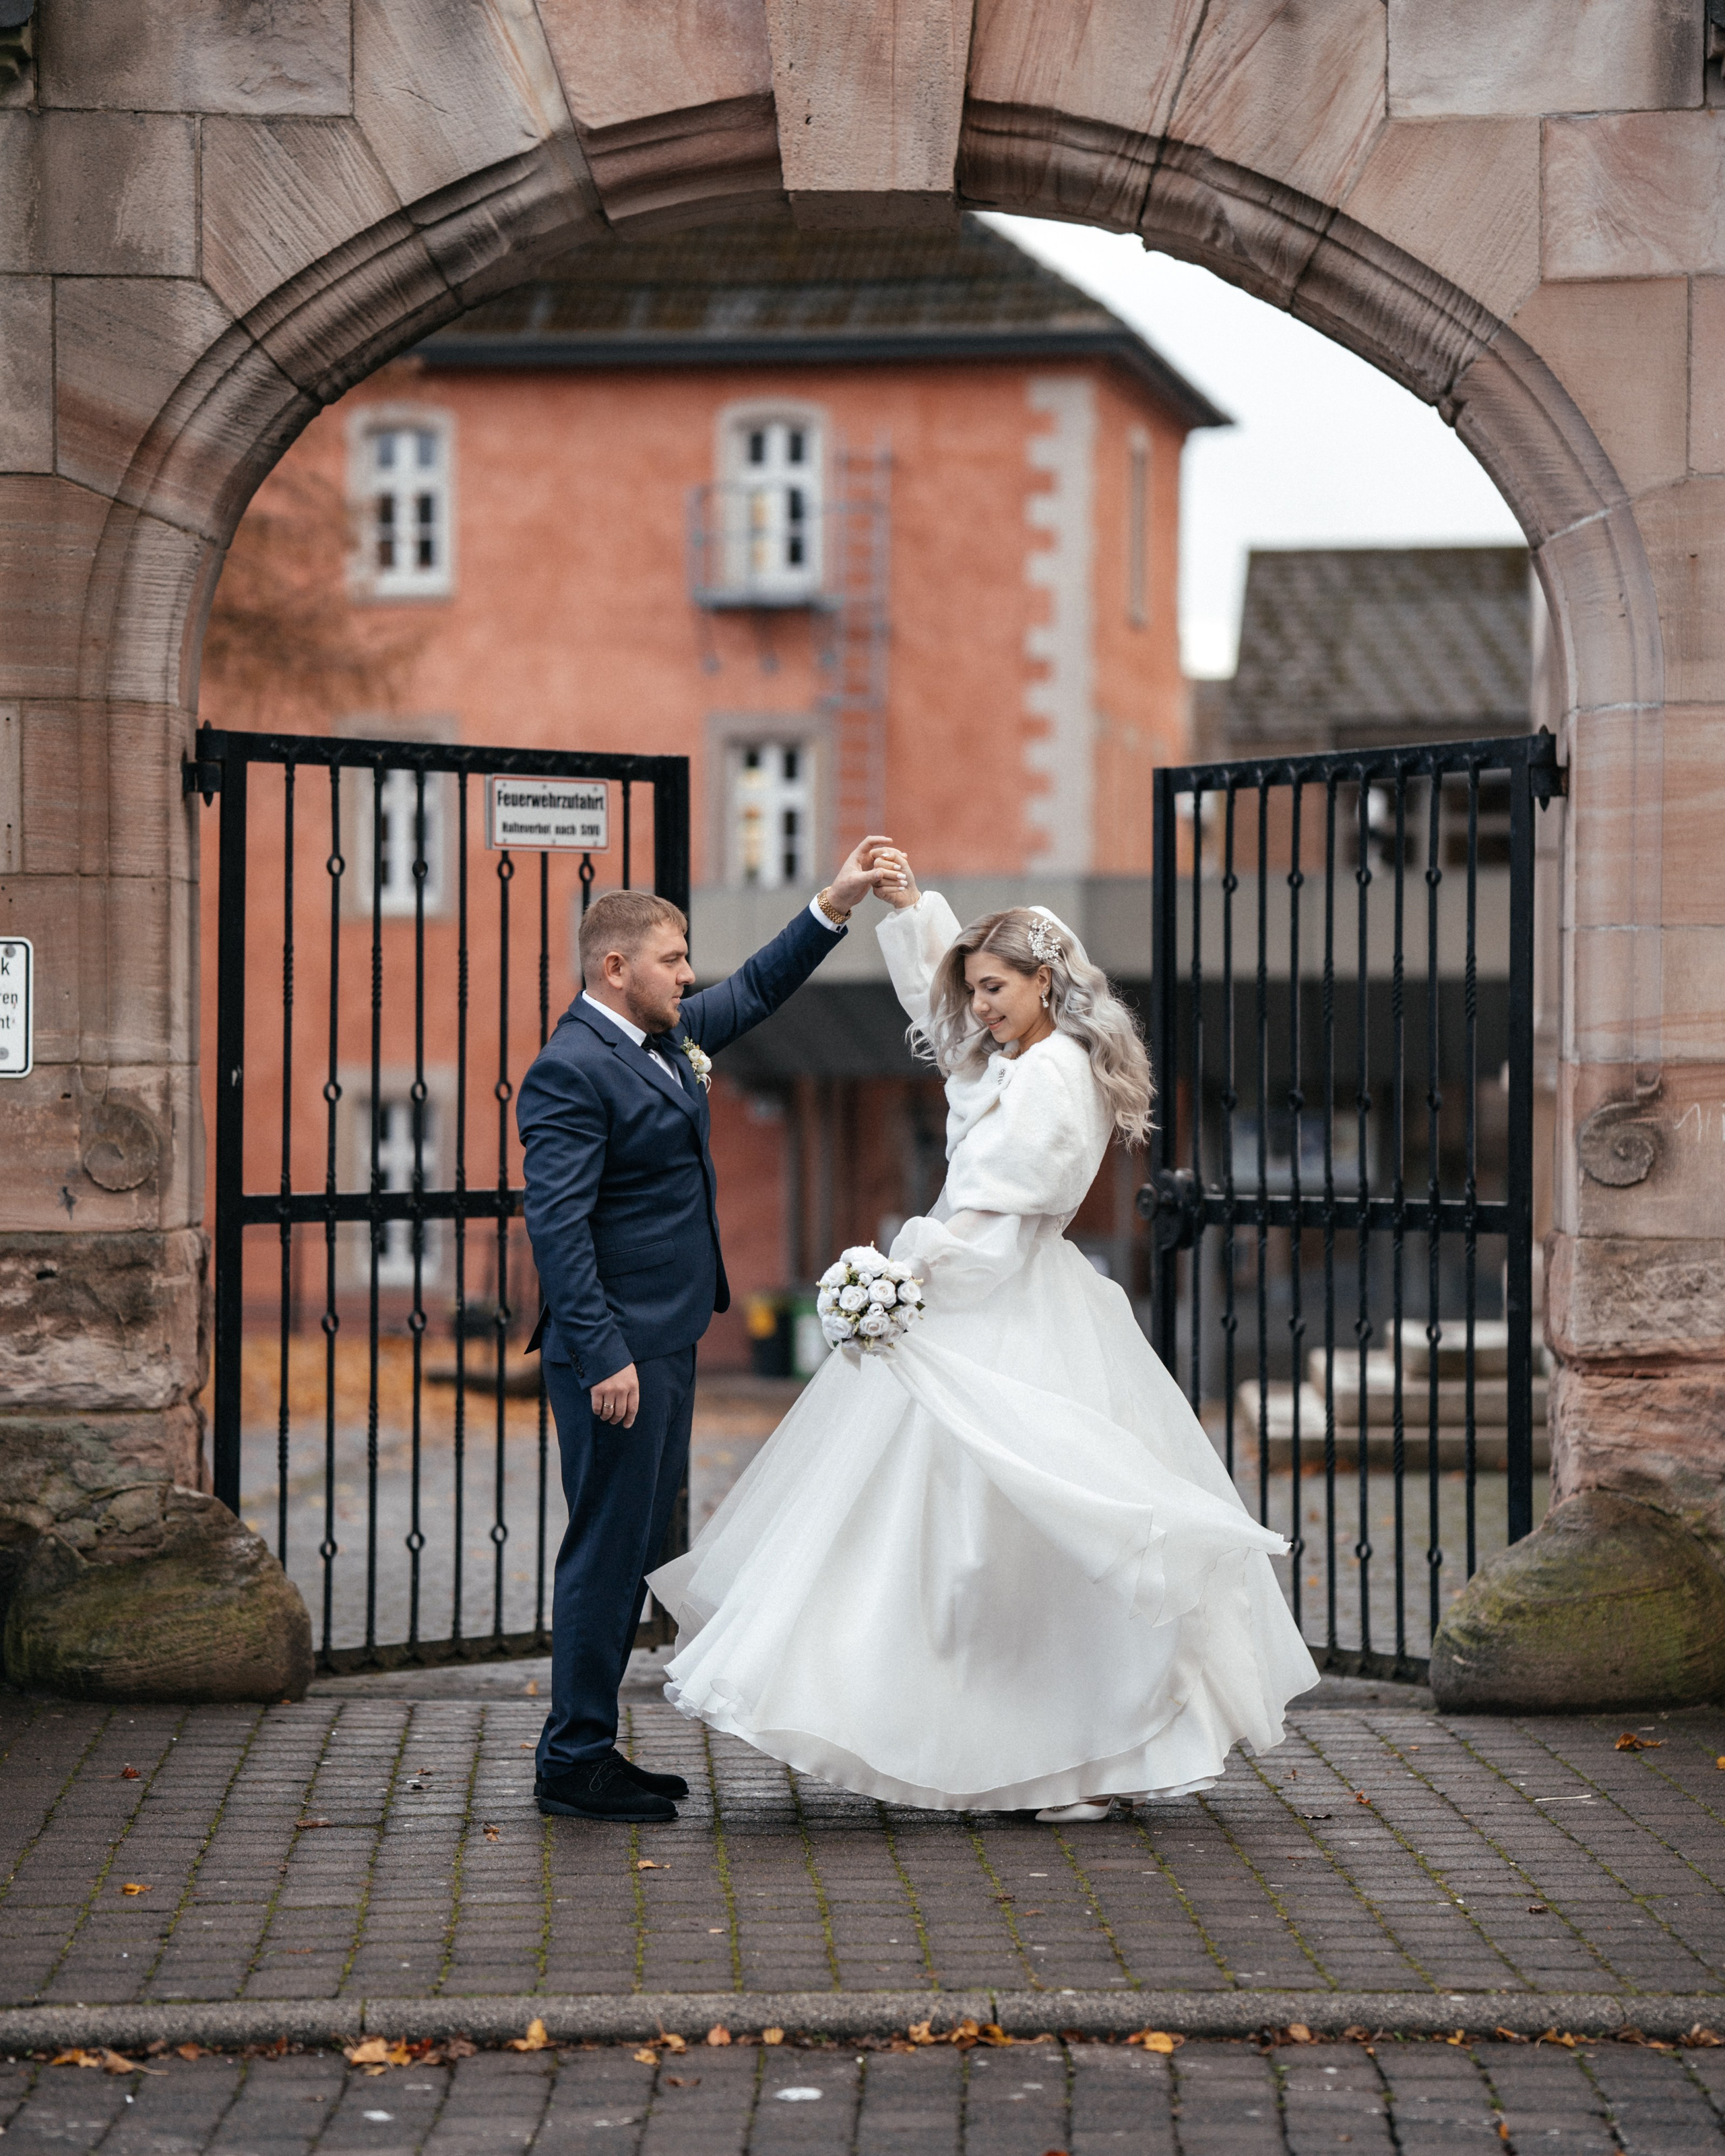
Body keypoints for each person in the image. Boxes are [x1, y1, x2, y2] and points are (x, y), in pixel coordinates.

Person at [650, 854, 1319, 1818]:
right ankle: (971, 1734)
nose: (982, 1007)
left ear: (1047, 983)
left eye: (997, 988)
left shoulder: (1056, 1076)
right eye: (977, 990)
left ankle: (1066, 1756)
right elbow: (944, 1022)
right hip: (965, 1303)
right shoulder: (1006, 1058)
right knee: (944, 1539)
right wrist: (918, 911)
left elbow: (1009, 1215)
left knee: (1018, 1539)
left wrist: (908, 1271)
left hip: (1003, 1303)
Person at [518, 837, 904, 1824]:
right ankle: (573, 1761)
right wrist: (604, 1354)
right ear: (616, 967)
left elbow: (756, 994)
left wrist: (834, 902)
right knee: (606, 1549)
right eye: (673, 959)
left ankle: (591, 1745)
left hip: (668, 1334)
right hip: (618, 1353)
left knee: (637, 1541)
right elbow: (557, 1224)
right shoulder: (571, 1069)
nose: (691, 976)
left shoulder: (659, 1042)